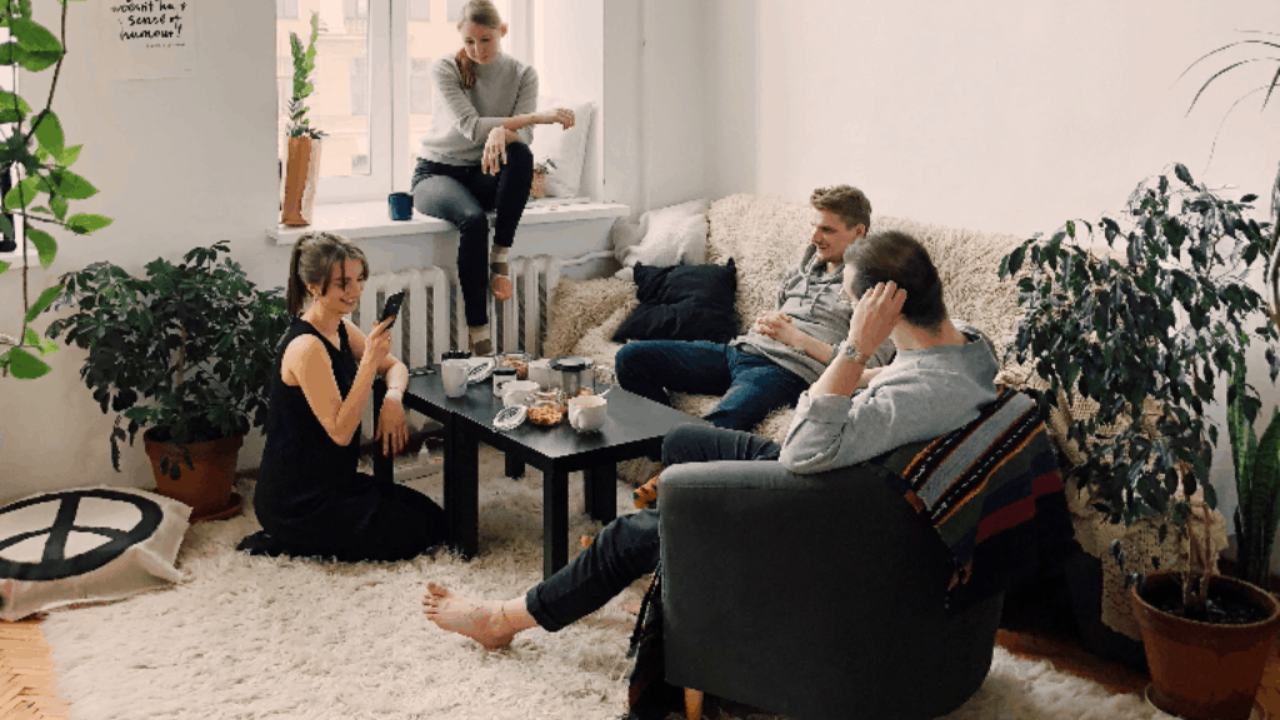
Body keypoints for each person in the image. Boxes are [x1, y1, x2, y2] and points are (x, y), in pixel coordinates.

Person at [421, 229, 1001, 648]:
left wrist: (853, 348)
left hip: (818, 499)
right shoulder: (969, 347)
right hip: (840, 461)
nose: (853, 315)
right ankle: (675, 563)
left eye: (853, 305)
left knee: (628, 533)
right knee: (684, 443)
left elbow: (805, 447)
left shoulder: (915, 396)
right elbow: (899, 379)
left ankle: (503, 620)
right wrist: (868, 366)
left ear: (885, 307)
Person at [614, 185, 895, 435]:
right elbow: (779, 319)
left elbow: (867, 364)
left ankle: (676, 459)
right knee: (631, 358)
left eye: (827, 230)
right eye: (814, 226)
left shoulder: (874, 289)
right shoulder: (797, 273)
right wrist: (765, 324)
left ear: (858, 231)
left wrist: (796, 339)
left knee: (715, 428)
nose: (814, 237)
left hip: (785, 372)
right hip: (739, 352)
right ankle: (664, 448)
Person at [237, 232, 447, 562]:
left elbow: (395, 367)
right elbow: (341, 433)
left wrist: (393, 399)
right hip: (298, 500)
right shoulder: (306, 348)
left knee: (432, 517)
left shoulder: (342, 329)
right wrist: (369, 362)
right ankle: (289, 538)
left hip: (337, 481)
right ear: (312, 286)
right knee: (414, 535)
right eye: (342, 283)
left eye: (359, 279)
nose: (355, 291)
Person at [412, 0, 576, 356]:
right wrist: (538, 116)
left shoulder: (523, 74)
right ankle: (479, 331)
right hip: (437, 173)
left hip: (482, 173)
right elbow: (472, 128)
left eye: (485, 40)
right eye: (469, 42)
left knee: (521, 155)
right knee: (472, 221)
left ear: (502, 32)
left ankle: (500, 255)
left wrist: (503, 132)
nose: (477, 50)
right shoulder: (446, 68)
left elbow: (524, 139)